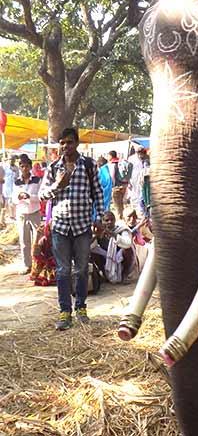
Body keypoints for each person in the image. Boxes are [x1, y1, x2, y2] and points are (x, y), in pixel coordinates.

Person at [39, 127, 104, 330]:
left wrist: (99, 217)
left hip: (82, 226)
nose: (66, 146)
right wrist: (57, 185)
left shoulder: (88, 165)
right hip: (60, 227)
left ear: (77, 143)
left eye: (70, 142)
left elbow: (98, 194)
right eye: (62, 142)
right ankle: (65, 312)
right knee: (63, 271)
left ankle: (81, 308)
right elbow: (42, 195)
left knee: (82, 269)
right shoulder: (53, 168)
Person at [13, 155, 41, 274]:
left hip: (34, 212)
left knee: (38, 240)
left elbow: (41, 196)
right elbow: (13, 199)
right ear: (19, 167)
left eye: (26, 166)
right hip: (22, 214)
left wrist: (30, 197)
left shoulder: (37, 180)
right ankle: (27, 265)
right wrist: (19, 197)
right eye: (22, 166)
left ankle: (39, 264)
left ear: (30, 167)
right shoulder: (17, 182)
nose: (24, 168)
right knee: (25, 241)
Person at [91, 210, 134, 283]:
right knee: (93, 252)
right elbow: (89, 247)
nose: (109, 222)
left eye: (112, 220)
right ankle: (104, 274)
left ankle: (125, 275)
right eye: (107, 220)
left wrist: (113, 234)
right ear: (102, 222)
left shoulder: (121, 230)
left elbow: (128, 243)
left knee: (128, 249)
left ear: (115, 220)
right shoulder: (99, 232)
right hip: (107, 257)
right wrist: (96, 236)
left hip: (119, 258)